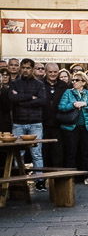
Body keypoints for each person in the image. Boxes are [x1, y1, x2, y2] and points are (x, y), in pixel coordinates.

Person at [8, 58, 47, 190]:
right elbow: (12, 98)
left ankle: (40, 181)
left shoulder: (39, 84)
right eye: (23, 67)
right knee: (18, 154)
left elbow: (42, 101)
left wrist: (21, 100)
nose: (25, 70)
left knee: (37, 153)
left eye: (28, 67)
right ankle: (19, 182)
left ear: (32, 69)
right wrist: (31, 97)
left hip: (35, 122)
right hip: (18, 122)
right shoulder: (14, 83)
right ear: (20, 68)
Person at [58, 72, 88, 185]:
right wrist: (73, 104)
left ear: (84, 82)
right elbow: (61, 107)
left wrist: (86, 105)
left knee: (87, 152)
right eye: (73, 80)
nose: (74, 82)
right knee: (71, 152)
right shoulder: (68, 92)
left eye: (77, 80)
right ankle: (70, 177)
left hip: (87, 127)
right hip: (71, 127)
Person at [41, 62, 70, 169]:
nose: (53, 74)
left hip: (59, 125)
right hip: (43, 124)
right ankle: (42, 180)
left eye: (55, 72)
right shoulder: (39, 84)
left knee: (58, 153)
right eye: (50, 72)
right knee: (43, 153)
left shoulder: (65, 86)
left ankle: (56, 180)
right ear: (45, 72)